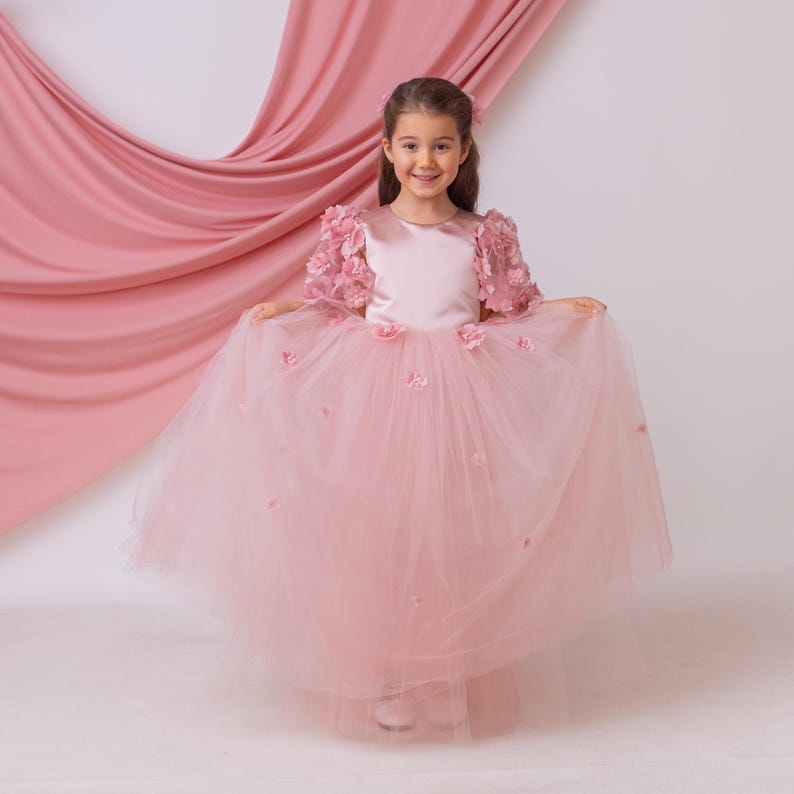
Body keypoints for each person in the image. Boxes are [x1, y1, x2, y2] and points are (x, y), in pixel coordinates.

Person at [121, 77, 673, 744]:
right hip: (378, 397)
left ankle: (445, 677)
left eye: (442, 146)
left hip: (459, 401)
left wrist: (565, 312)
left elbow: (506, 311)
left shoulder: (482, 235)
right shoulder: (361, 231)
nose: (426, 160)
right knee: (383, 534)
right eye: (411, 144)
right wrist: (284, 311)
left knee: (452, 533)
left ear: (465, 151)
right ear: (387, 149)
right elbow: (337, 306)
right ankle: (388, 678)